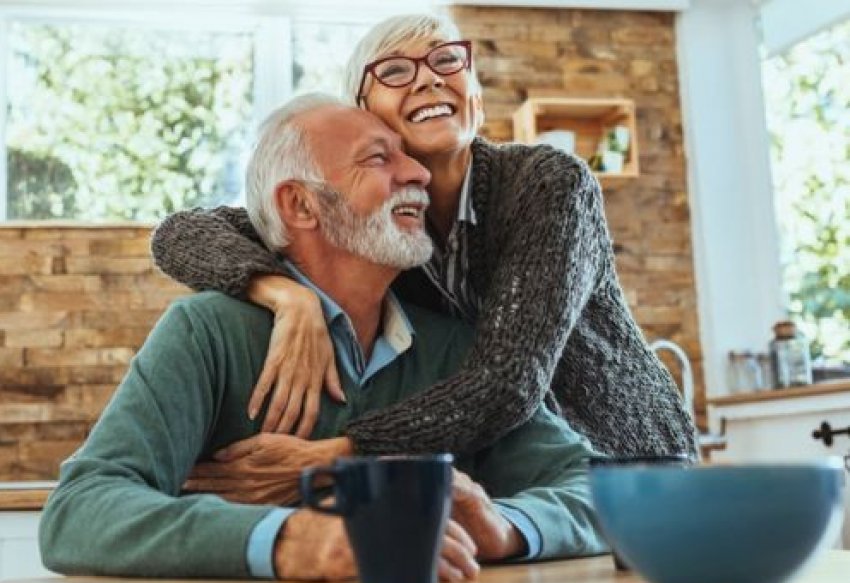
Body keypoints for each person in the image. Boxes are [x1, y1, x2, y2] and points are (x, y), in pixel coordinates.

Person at [39, 95, 608, 583]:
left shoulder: (455, 349)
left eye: (408, 157)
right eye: (379, 159)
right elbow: (79, 510)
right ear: (300, 204)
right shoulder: (207, 333)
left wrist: (506, 526)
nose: (418, 174)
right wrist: (293, 540)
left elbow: (596, 490)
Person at [151, 14, 698, 471]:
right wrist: (283, 295)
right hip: (519, 476)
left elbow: (505, 383)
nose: (429, 79)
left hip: (630, 464)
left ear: (476, 98)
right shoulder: (375, 226)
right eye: (394, 70)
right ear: (365, 115)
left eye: (446, 60)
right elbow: (182, 232)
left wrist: (340, 453)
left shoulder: (548, 184)